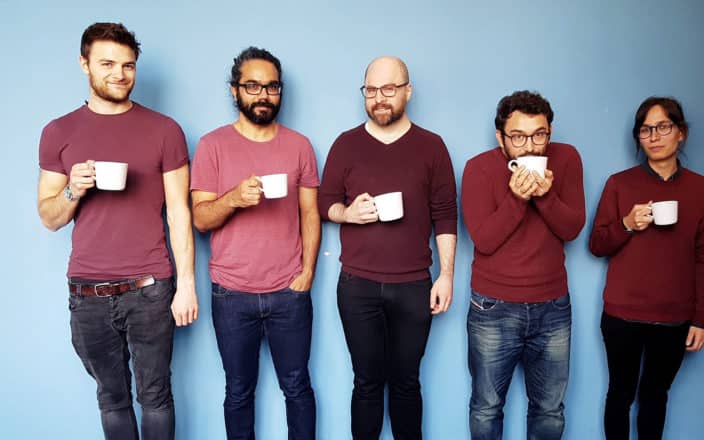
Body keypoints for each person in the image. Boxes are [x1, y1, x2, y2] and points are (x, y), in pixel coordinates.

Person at [36, 22, 198, 440]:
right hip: (86, 292)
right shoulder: (59, 132)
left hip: (150, 287)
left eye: (128, 65)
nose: (119, 74)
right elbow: (50, 217)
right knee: (111, 398)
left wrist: (186, 286)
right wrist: (74, 187)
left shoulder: (165, 130)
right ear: (84, 64)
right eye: (107, 63)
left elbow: (179, 211)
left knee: (156, 396)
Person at [318, 56, 457, 440]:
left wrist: (445, 276)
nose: (380, 98)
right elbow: (323, 203)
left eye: (389, 89)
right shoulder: (346, 144)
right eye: (372, 90)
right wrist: (347, 213)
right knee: (365, 382)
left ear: (407, 91)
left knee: (407, 383)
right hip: (357, 286)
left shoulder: (432, 146)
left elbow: (446, 216)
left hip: (414, 286)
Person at [191, 47, 319, 440]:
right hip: (231, 294)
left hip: (288, 292)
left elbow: (310, 213)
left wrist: (307, 273)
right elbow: (200, 219)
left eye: (271, 87)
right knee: (238, 391)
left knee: (297, 387)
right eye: (252, 86)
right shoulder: (212, 146)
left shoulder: (299, 145)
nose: (263, 95)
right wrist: (232, 199)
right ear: (235, 91)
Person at [589, 96, 704, 440]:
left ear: (681, 133)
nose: (654, 136)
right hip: (622, 315)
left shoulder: (701, 189)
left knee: (655, 397)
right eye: (646, 130)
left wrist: (702, 319)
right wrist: (628, 223)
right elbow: (597, 244)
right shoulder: (619, 183)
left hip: (675, 318)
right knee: (620, 394)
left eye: (663, 127)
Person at [461, 90, 585, 440]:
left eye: (539, 134)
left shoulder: (567, 159)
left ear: (549, 131)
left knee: (549, 410)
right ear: (500, 138)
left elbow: (572, 229)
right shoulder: (478, 169)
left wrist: (544, 195)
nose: (530, 146)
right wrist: (517, 198)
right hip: (493, 308)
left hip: (553, 308)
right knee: (486, 408)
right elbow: (484, 240)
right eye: (518, 137)